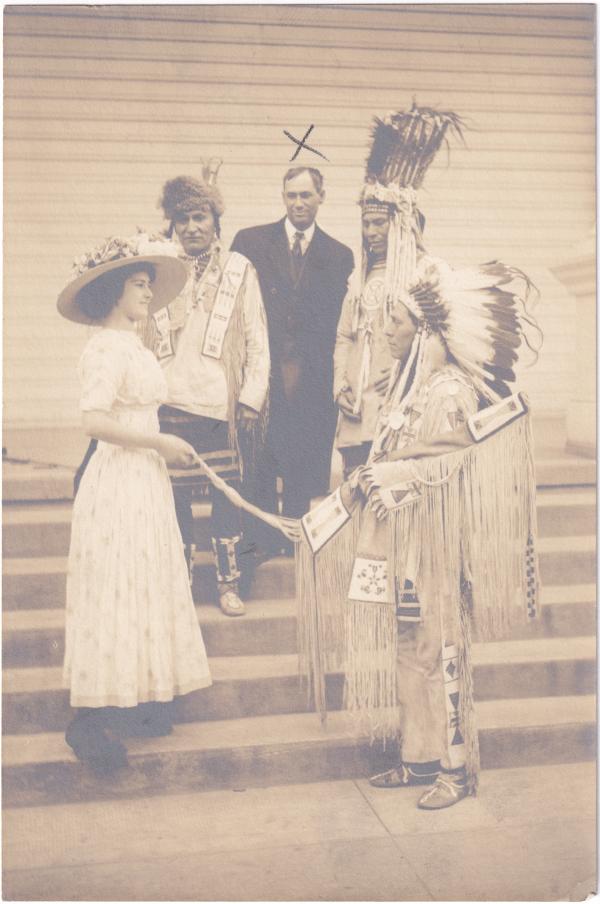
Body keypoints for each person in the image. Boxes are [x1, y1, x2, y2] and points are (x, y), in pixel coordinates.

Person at [296, 105, 542, 810]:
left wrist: (391, 471)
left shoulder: (448, 391)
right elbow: (398, 454)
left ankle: (456, 769)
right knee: (409, 644)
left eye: (401, 319)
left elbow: (455, 461)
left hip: (438, 543)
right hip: (402, 540)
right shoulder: (406, 392)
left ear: (429, 327)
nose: (388, 324)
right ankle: (417, 755)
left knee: (441, 644)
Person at [57, 235, 212, 773]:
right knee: (116, 582)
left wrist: (164, 447)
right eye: (138, 285)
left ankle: (143, 697)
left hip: (145, 478)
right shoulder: (103, 348)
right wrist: (158, 444)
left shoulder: (137, 346)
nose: (147, 294)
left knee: (146, 579)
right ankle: (94, 715)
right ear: (112, 291)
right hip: (119, 476)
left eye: (149, 285)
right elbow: (94, 422)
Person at [141, 165, 270, 617]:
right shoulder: (157, 270)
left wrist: (251, 398)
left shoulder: (239, 270)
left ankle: (228, 584)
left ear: (216, 222)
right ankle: (178, 584)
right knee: (172, 499)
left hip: (219, 406)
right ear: (172, 225)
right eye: (184, 219)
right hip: (168, 400)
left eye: (201, 217)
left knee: (226, 498)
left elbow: (257, 339)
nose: (193, 227)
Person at [231, 167, 354, 556]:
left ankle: (297, 543)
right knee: (262, 461)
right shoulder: (251, 243)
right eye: (291, 196)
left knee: (305, 459)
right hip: (265, 371)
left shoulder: (339, 255)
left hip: (312, 379)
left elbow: (342, 325)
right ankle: (264, 542)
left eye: (306, 195)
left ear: (321, 197)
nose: (298, 203)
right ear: (283, 197)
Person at [334, 200, 429, 478]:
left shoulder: (422, 273)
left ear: (399, 224)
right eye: (366, 223)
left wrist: (409, 368)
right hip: (357, 404)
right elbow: (344, 335)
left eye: (379, 223)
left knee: (391, 489)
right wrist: (340, 385)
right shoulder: (359, 277)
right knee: (355, 488)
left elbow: (436, 338)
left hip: (398, 398)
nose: (370, 231)